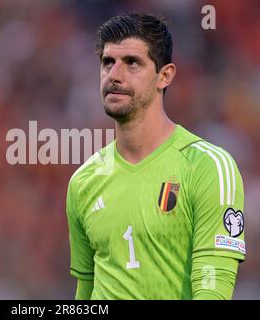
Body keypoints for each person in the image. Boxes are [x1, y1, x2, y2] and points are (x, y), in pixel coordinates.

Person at [66, 13, 245, 300]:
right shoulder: (83, 181)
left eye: (132, 63)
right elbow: (85, 292)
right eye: (107, 62)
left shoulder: (208, 166)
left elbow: (214, 283)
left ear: (165, 75)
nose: (114, 75)